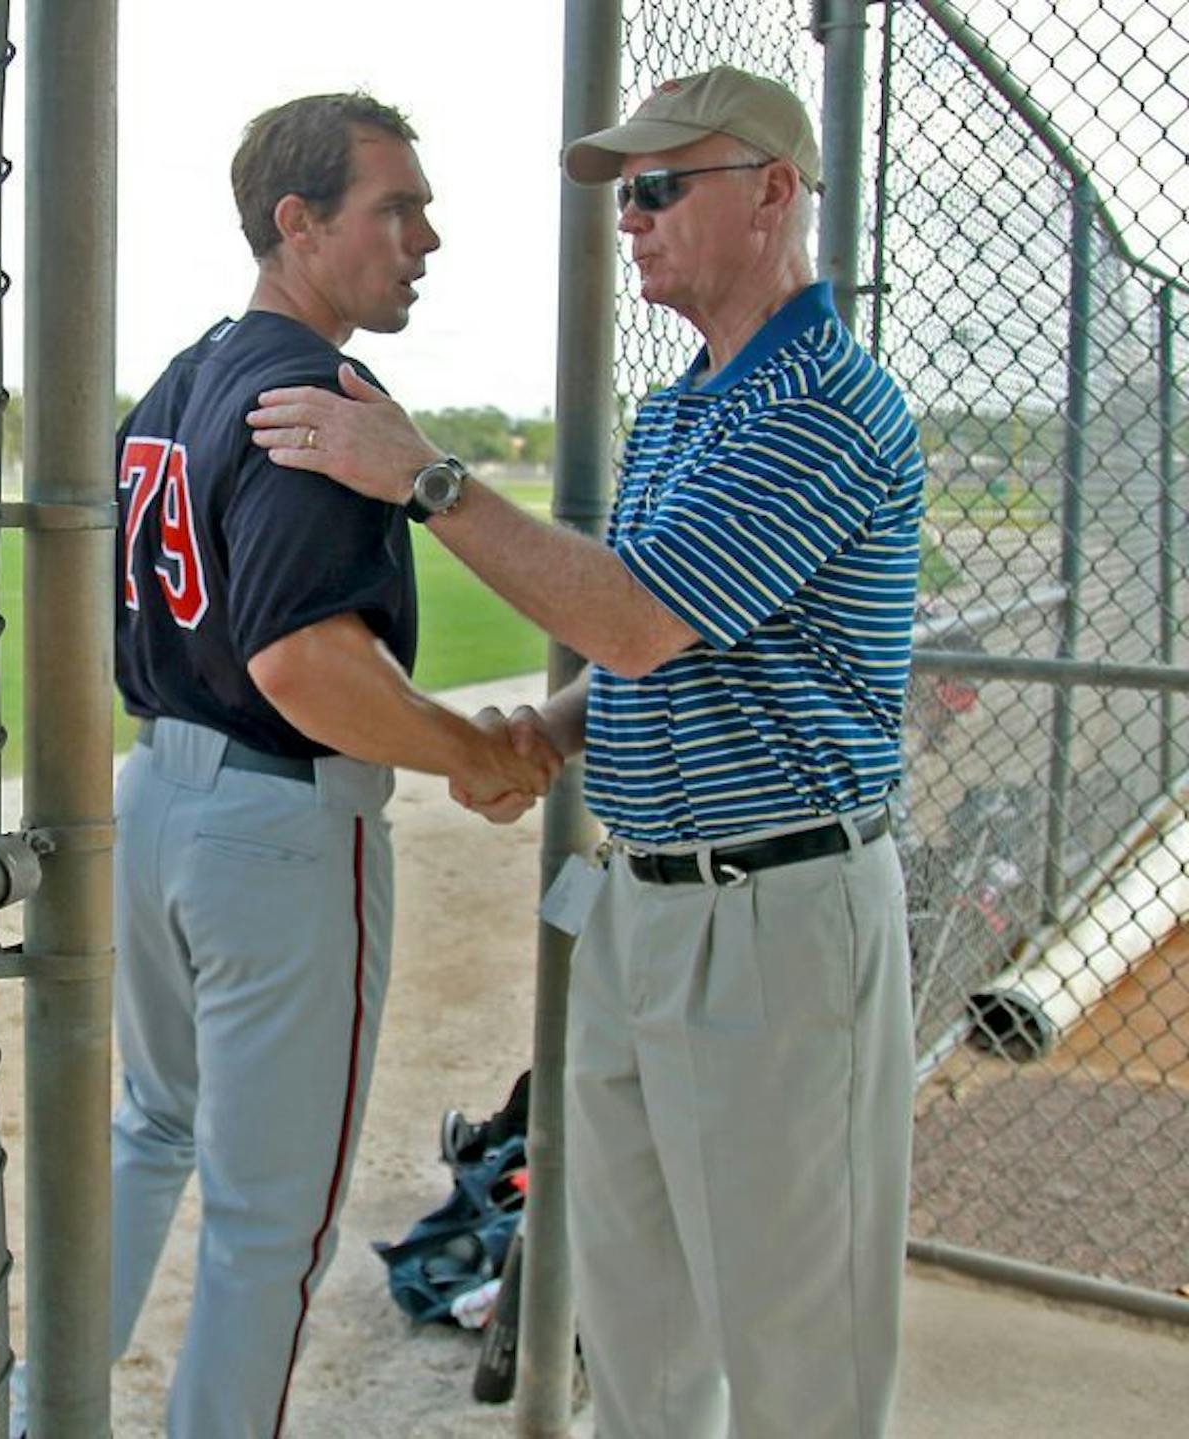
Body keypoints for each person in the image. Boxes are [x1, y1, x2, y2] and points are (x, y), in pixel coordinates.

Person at [246, 67, 925, 1439]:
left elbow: (632, 618)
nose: (635, 218)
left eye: (664, 187)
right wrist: (527, 741)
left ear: (774, 195)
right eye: (628, 195)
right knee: (636, 1329)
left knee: (799, 1347)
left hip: (779, 916)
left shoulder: (820, 403)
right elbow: (650, 658)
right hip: (644, 905)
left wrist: (425, 476)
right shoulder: (688, 406)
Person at [106, 92, 559, 1438]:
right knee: (267, 1225)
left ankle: (42, 1409)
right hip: (277, 831)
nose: (427, 235)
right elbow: (301, 665)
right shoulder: (317, 399)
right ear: (297, 223)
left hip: (155, 803)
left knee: (150, 1133)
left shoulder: (184, 374)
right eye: (395, 206)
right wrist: (468, 750)